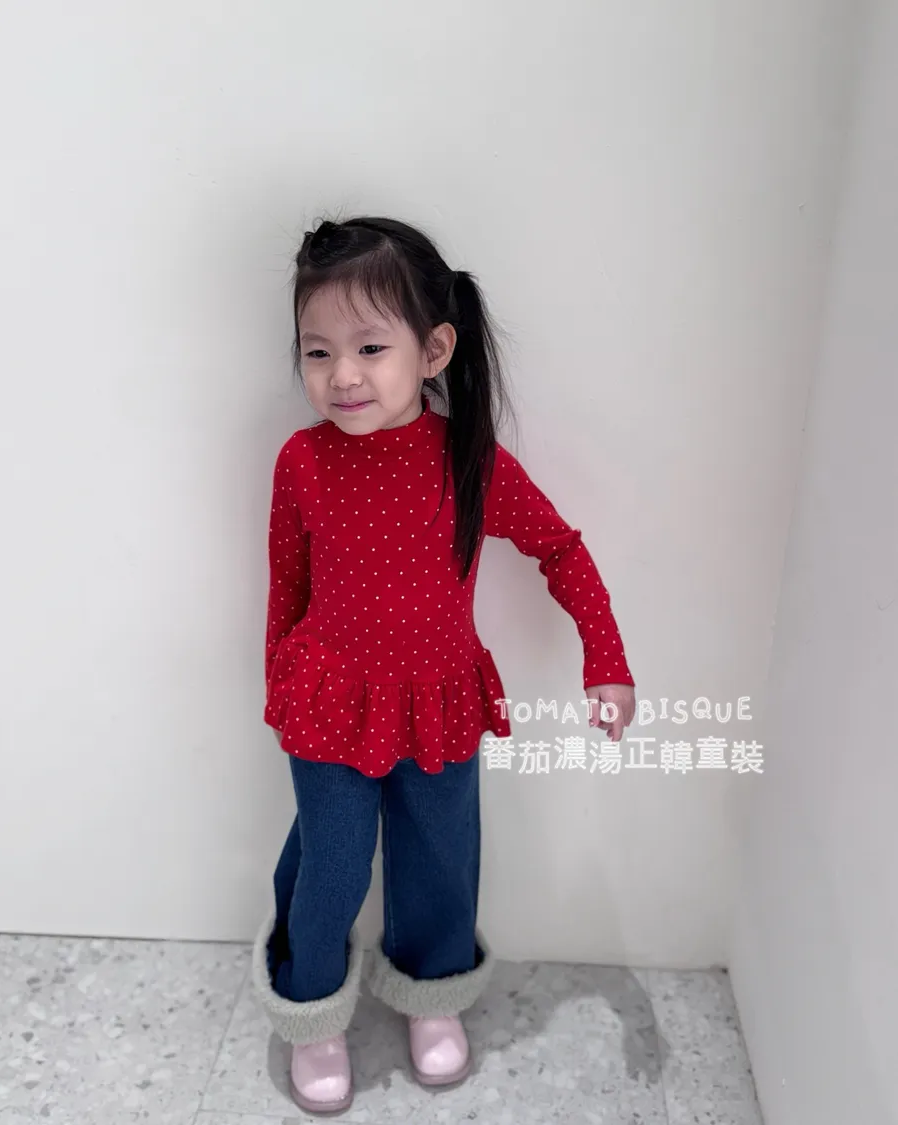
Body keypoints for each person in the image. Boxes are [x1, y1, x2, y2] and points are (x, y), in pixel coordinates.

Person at [252, 216, 636, 1114]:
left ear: (433, 349)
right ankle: (311, 1009)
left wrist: (606, 656)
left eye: (369, 347)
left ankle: (433, 995)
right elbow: (286, 585)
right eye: (317, 351)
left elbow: (560, 548)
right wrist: (279, 685)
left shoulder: (467, 461)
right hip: (330, 702)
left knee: (439, 859)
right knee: (331, 864)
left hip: (440, 699)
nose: (342, 375)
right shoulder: (302, 461)